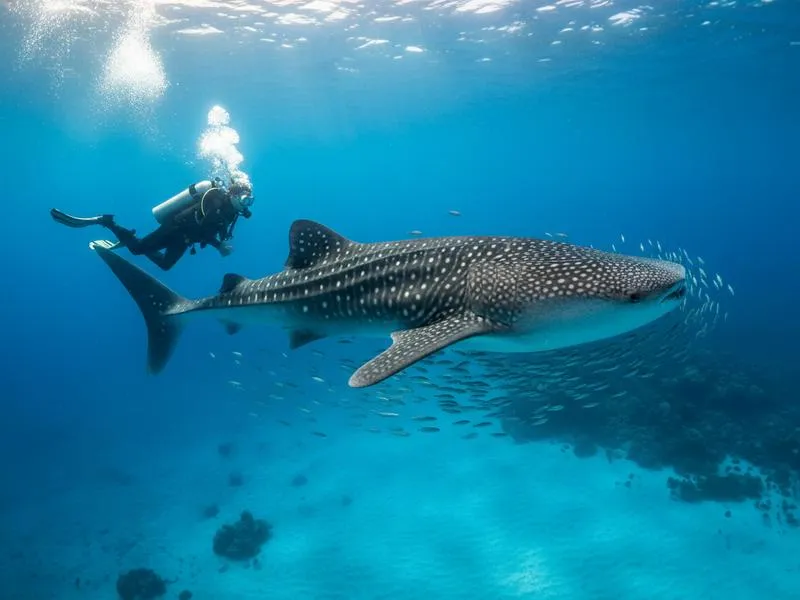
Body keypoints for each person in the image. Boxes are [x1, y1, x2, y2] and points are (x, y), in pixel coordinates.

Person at [51, 177, 254, 271]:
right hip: (175, 229)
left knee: (165, 265)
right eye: (245, 199)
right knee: (138, 250)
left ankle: (133, 240)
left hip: (185, 240)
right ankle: (107, 222)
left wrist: (220, 243)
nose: (246, 204)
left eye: (249, 201)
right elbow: (205, 226)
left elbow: (212, 230)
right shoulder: (215, 198)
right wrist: (219, 246)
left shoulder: (230, 214)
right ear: (234, 195)